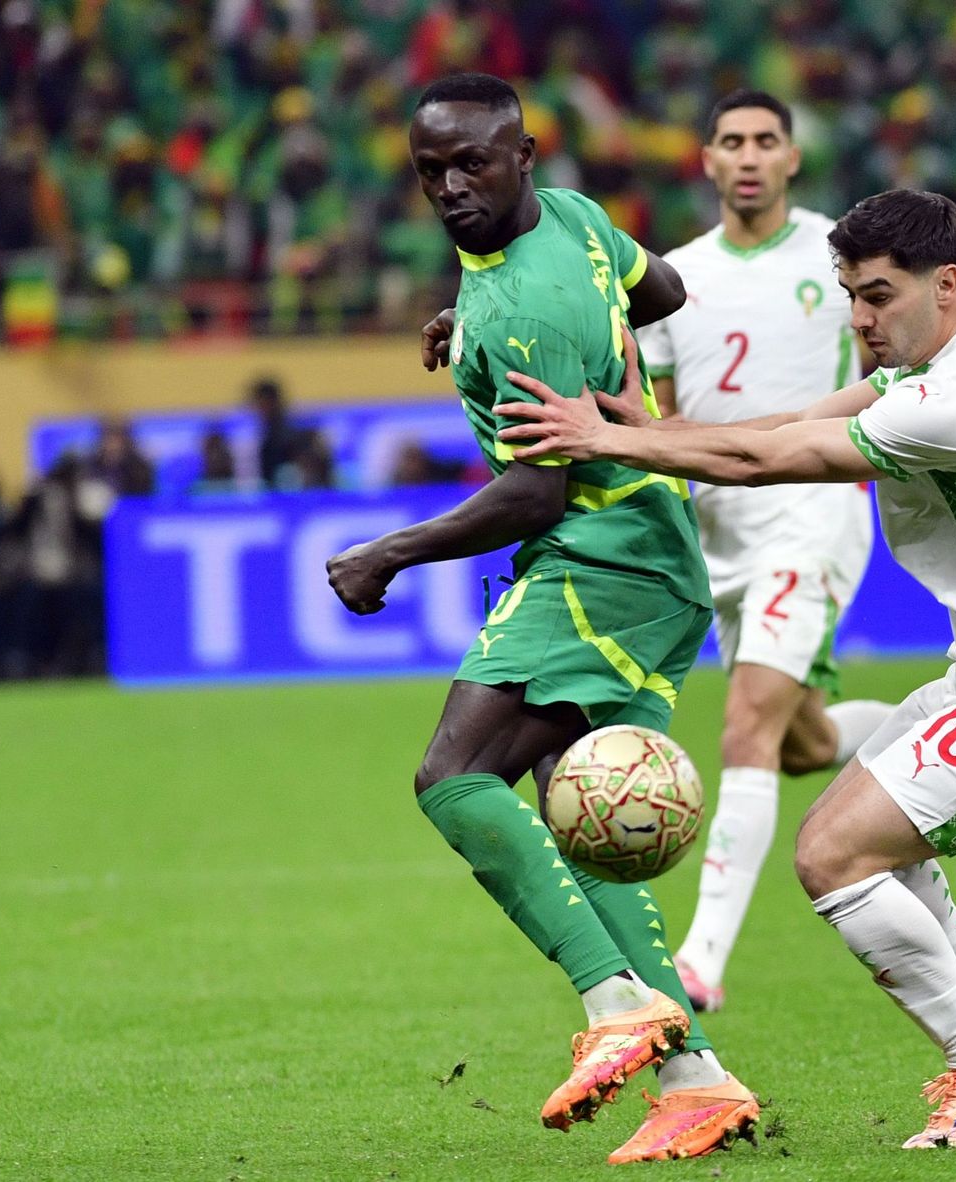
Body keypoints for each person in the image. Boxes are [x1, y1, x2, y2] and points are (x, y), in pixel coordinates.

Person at [496, 189, 956, 1151]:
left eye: (879, 296)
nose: (860, 320)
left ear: (945, 284)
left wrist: (609, 439)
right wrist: (646, 425)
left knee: (833, 856)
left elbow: (770, 458)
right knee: (873, 832)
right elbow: (793, 416)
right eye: (849, 294)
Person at [323, 74, 758, 1165]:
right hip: (654, 558)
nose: (451, 187)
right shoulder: (570, 221)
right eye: (431, 170)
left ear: (522, 153)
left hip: (597, 557)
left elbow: (533, 493)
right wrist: (493, 320)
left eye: (472, 162)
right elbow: (656, 293)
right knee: (575, 825)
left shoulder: (519, 305)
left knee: (454, 777)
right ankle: (695, 1079)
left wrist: (390, 550)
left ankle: (613, 1001)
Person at [633, 89, 892, 1012]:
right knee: (798, 740)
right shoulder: (667, 279)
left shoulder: (840, 259)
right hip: (719, 531)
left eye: (766, 141)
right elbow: (654, 419)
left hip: (811, 512)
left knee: (745, 721)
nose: (748, 156)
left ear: (792, 158)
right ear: (706, 160)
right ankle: (909, 735)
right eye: (731, 141)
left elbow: (895, 372)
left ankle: (699, 961)